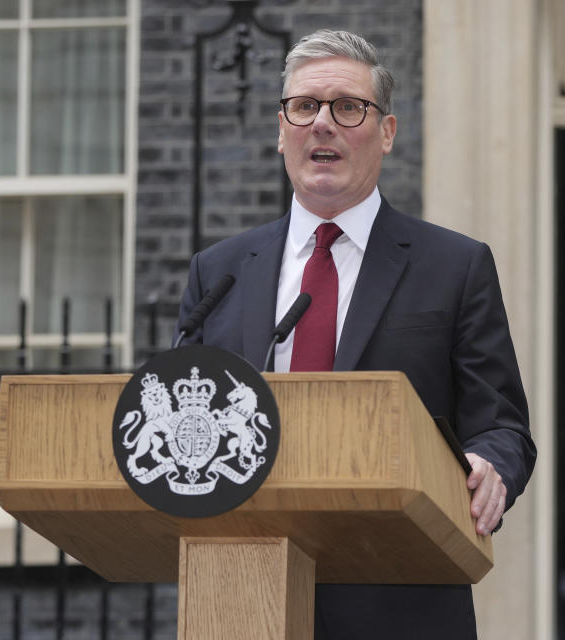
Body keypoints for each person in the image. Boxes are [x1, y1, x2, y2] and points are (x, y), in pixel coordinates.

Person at [175, 29, 535, 640]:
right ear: (280, 128)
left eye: (348, 107)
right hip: (242, 595)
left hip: (402, 597)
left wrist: (489, 466)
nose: (322, 124)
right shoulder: (221, 272)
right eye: (305, 107)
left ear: (387, 132)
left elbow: (502, 425)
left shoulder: (455, 266)